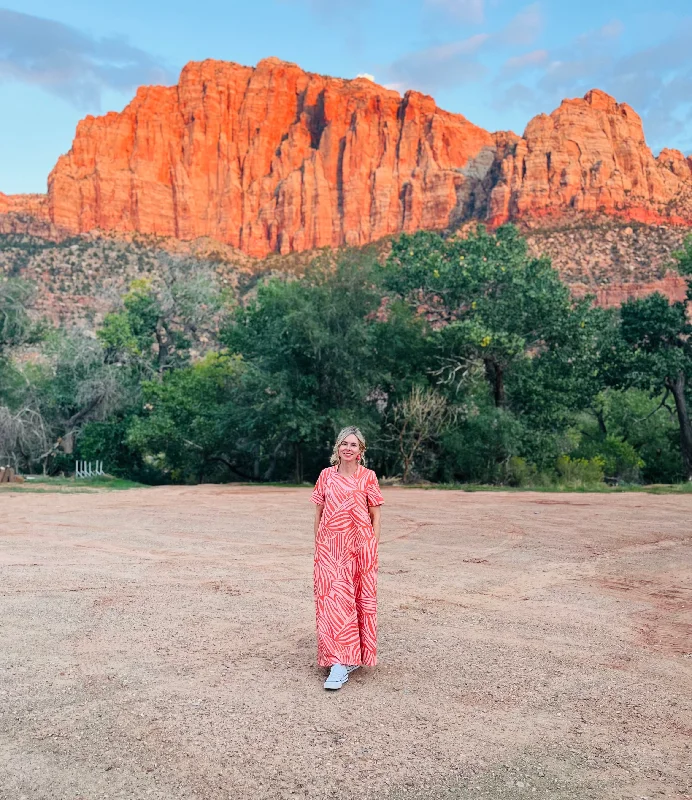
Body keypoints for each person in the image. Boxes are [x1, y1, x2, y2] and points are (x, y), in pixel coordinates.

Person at [310, 426, 384, 691]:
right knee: (333, 603)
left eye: (353, 444)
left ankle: (351, 658)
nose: (348, 448)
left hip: (360, 547)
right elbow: (318, 513)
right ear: (337, 448)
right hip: (331, 549)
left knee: (359, 601)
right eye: (344, 444)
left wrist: (372, 548)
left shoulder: (368, 477)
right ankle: (338, 661)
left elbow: (375, 517)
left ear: (361, 450)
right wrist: (319, 545)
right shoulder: (325, 476)